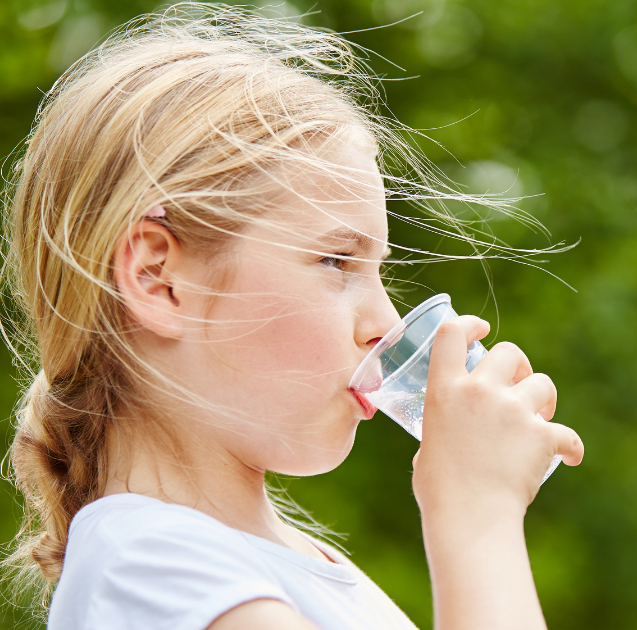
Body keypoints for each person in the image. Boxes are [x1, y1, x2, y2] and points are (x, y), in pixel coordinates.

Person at [1, 4, 583, 629]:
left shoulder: (278, 565)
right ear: (159, 280)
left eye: (378, 269)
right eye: (337, 260)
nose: (386, 322)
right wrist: (478, 513)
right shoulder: (150, 565)